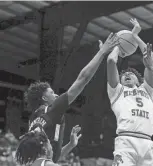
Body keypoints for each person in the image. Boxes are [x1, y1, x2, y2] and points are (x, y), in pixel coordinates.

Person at [25, 33, 118, 162]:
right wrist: (102, 52)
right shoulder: (52, 109)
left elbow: (51, 159)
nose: (56, 95)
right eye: (52, 93)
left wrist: (70, 145)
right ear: (44, 98)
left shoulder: (33, 119)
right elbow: (83, 79)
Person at [106, 18, 153, 166]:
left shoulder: (147, 90)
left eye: (131, 74)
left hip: (147, 143)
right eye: (123, 76)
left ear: (139, 80)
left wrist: (135, 36)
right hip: (126, 142)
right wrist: (118, 46)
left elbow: (151, 61)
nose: (126, 75)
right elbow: (110, 61)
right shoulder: (117, 92)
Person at [15, 125, 82, 166]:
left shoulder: (31, 163)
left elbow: (56, 157)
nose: (52, 148)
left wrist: (71, 144)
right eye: (49, 143)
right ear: (44, 148)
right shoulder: (47, 164)